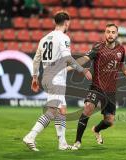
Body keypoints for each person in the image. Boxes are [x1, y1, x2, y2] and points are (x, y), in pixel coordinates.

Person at [23, 11, 92, 151]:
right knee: (53, 111)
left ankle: (62, 144)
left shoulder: (44, 39)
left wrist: (35, 77)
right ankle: (31, 136)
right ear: (66, 22)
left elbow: (36, 59)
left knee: (62, 110)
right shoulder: (64, 37)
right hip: (56, 79)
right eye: (69, 23)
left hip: (47, 77)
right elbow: (67, 58)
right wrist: (82, 70)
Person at [67, 23, 126, 150]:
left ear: (117, 34)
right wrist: (69, 67)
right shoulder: (98, 47)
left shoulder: (121, 49)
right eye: (108, 32)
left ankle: (96, 129)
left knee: (109, 121)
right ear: (105, 33)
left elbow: (122, 65)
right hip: (96, 87)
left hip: (110, 91)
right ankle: (77, 141)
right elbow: (85, 58)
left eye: (113, 32)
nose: (110, 34)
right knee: (88, 108)